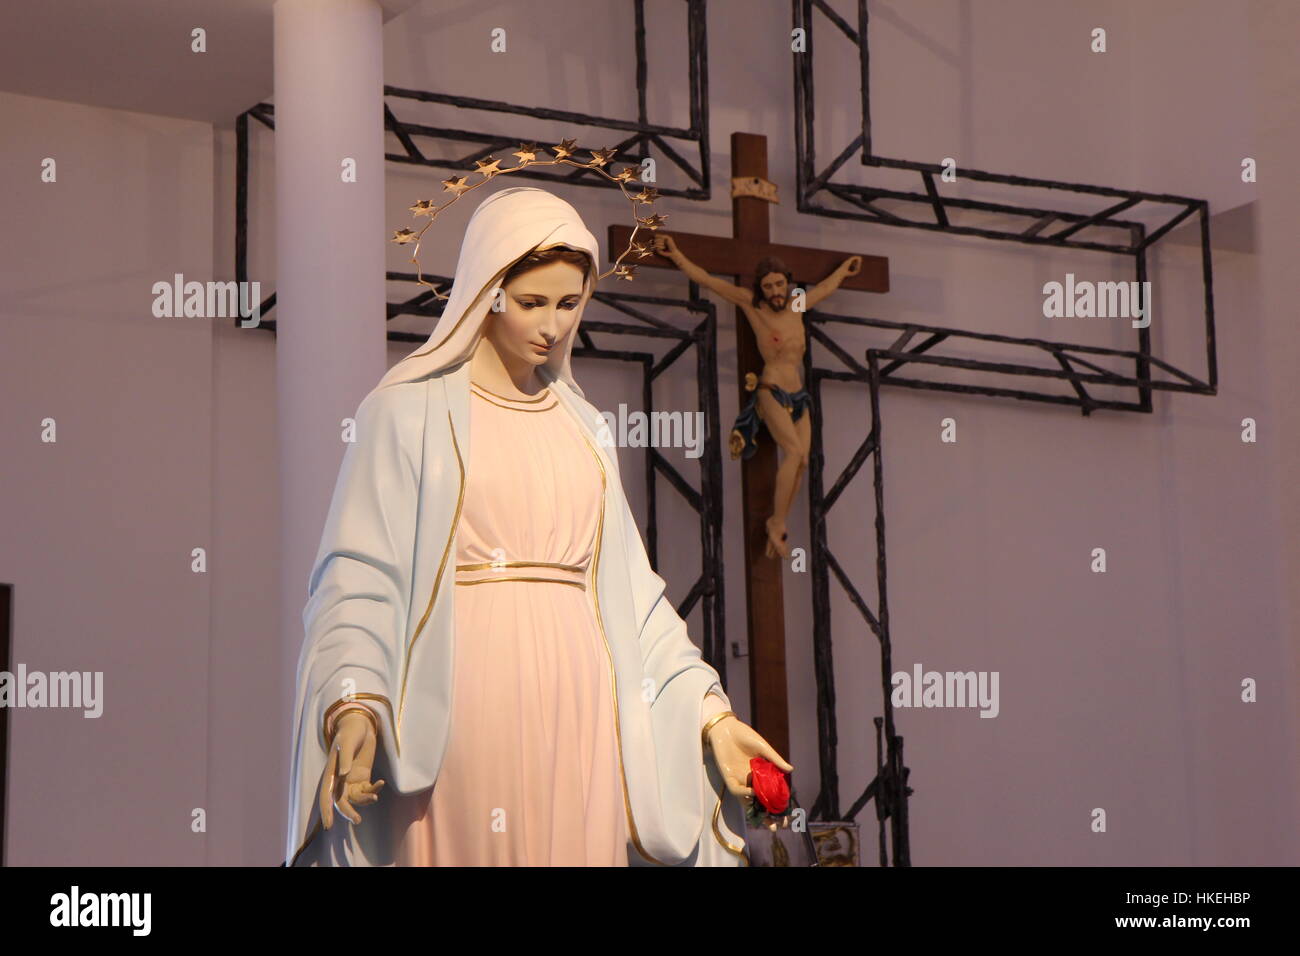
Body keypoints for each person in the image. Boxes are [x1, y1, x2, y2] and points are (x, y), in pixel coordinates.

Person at [285, 186, 792, 866]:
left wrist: (711, 715)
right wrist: (354, 704)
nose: (552, 325)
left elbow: (632, 599)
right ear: (485, 292)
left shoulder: (583, 427)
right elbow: (359, 576)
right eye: (530, 303)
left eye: (569, 303)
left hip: (580, 700)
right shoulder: (406, 415)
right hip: (464, 696)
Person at [654, 236, 861, 558]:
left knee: (803, 460)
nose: (776, 292)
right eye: (769, 286)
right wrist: (677, 256)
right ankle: (775, 524)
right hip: (772, 390)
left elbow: (823, 290)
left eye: (780, 284)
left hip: (799, 395)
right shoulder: (752, 306)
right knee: (792, 453)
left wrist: (844, 272)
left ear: (788, 283)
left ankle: (778, 524)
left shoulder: (797, 305)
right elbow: (708, 280)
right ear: (761, 289)